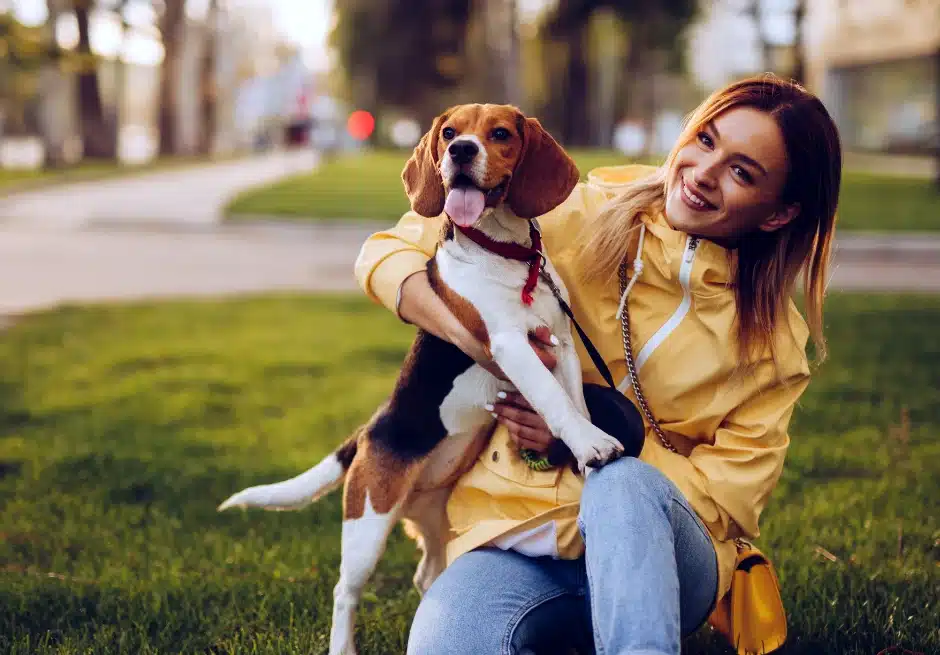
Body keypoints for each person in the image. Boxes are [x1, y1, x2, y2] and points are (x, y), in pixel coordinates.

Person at [354, 74, 842, 655]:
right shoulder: (580, 212)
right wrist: (478, 340)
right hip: (518, 539)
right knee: (447, 645)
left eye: (742, 172)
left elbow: (729, 499)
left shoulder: (775, 347)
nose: (705, 173)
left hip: (668, 557)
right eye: (706, 141)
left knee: (622, 484)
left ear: (778, 214)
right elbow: (390, 250)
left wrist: (593, 436)